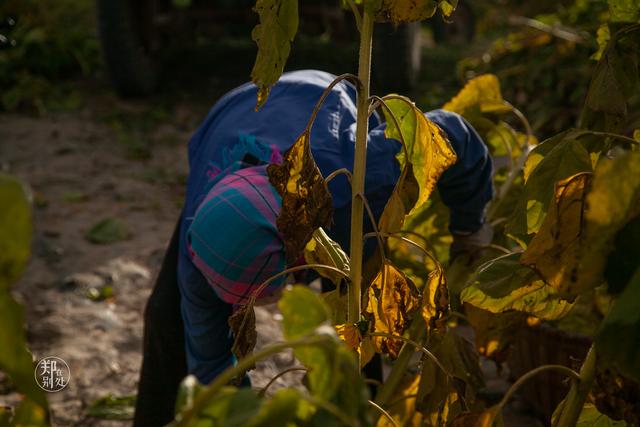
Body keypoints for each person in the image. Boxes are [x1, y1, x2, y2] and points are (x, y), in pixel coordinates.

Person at [133, 70, 493, 426]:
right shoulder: (199, 251)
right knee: (168, 316)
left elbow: (452, 132)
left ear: (296, 254)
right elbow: (211, 365)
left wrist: (468, 227)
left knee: (354, 316)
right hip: (225, 123)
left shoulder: (357, 175)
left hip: (315, 98)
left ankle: (357, 411)